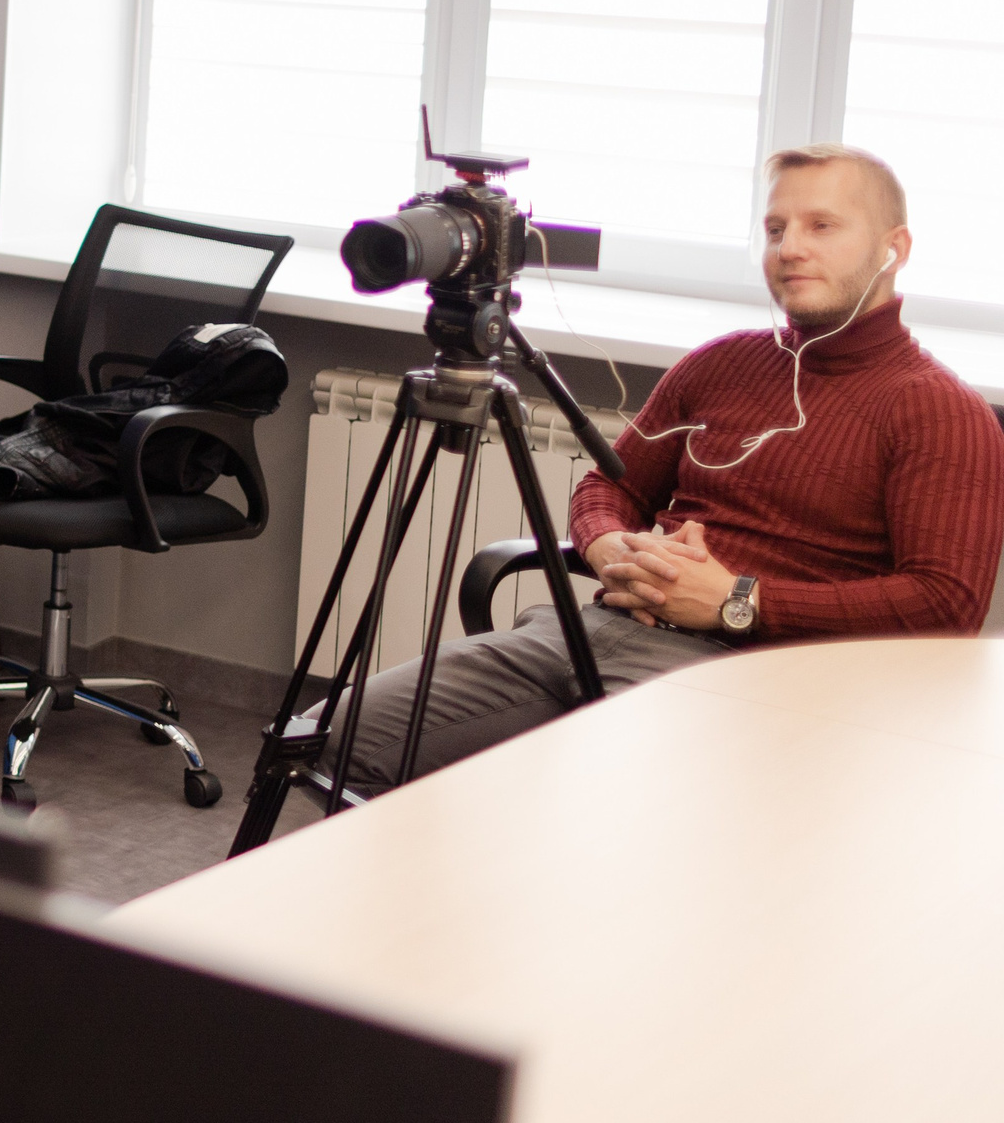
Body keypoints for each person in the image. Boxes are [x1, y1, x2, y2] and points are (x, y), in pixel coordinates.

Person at [324, 144, 1004, 791]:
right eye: (775, 228)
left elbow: (945, 607)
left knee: (581, 816)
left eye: (822, 225)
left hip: (751, 674)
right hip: (589, 629)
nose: (790, 247)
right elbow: (609, 483)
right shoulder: (723, 362)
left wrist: (738, 601)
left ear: (896, 246)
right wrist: (607, 542)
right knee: (339, 744)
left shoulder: (940, 411)